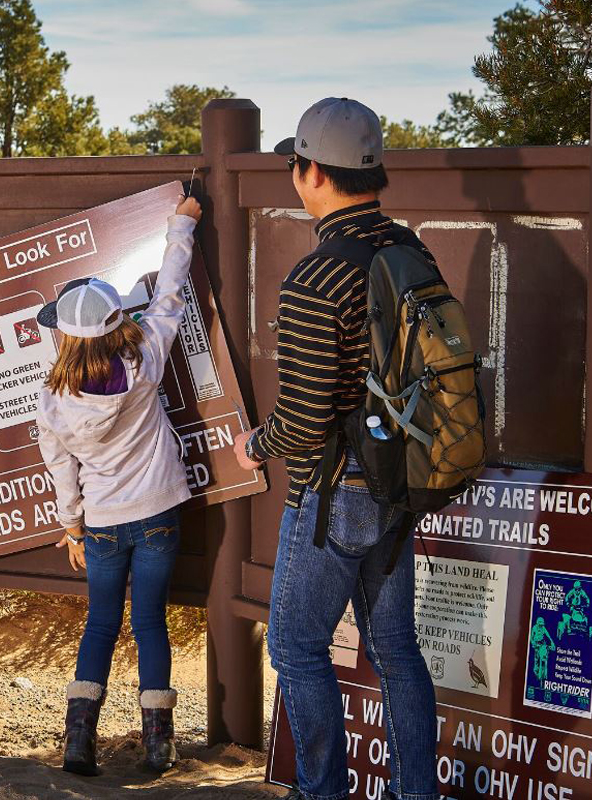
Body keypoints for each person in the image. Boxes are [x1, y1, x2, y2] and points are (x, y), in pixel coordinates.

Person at [233, 98, 440, 800]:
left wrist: (253, 445)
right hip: (401, 480)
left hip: (335, 493)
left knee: (295, 647)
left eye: (296, 162)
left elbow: (302, 418)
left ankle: (322, 793)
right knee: (397, 652)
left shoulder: (315, 279)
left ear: (310, 171)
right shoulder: (412, 251)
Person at [36, 195, 201, 776]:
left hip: (102, 524)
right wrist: (182, 223)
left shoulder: (52, 402)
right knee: (151, 622)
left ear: (65, 337)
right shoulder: (147, 358)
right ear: (117, 323)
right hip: (158, 513)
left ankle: (78, 741)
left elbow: (62, 469)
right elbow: (170, 293)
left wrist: (71, 525)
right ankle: (160, 745)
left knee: (101, 624)